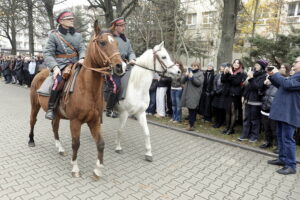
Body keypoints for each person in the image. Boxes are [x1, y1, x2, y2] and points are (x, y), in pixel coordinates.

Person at [43, 11, 85, 120]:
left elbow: (82, 48)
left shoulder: (78, 35)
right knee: (58, 81)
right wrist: (55, 67)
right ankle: (51, 108)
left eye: (72, 18)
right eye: (69, 18)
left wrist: (82, 58)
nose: (72, 20)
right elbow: (48, 53)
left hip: (77, 63)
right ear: (61, 21)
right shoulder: (54, 35)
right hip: (61, 65)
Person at [266, 57, 300, 175]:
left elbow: (287, 84)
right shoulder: (295, 75)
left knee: (287, 139)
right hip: (283, 112)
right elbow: (282, 85)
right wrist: (272, 75)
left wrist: (277, 74)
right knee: (281, 136)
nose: (293, 63)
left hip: (290, 112)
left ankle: (291, 165)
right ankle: (282, 159)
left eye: (296, 61)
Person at [105, 17, 136, 118]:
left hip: (126, 66)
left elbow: (131, 52)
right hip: (113, 67)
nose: (124, 27)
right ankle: (109, 109)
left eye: (124, 25)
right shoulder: (110, 39)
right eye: (121, 26)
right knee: (115, 86)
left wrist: (132, 59)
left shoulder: (126, 40)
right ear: (115, 27)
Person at [238, 59, 267, 142]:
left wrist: (251, 78)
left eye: (257, 65)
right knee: (246, 118)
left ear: (262, 67)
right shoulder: (253, 74)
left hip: (257, 102)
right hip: (248, 100)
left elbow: (257, 87)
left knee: (255, 120)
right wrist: (244, 95)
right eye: (255, 65)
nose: (255, 66)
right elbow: (247, 87)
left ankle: (254, 136)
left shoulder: (263, 76)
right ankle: (245, 135)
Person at [221, 59, 244, 135]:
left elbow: (235, 82)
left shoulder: (240, 73)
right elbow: (223, 80)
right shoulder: (230, 70)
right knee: (227, 111)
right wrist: (225, 73)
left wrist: (231, 74)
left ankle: (231, 129)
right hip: (228, 94)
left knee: (233, 111)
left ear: (240, 65)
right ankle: (227, 128)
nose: (236, 64)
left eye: (238, 63)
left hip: (235, 95)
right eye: (235, 62)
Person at [181, 63, 204, 131]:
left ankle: (191, 125)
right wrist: (185, 75)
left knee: (193, 109)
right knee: (190, 109)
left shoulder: (200, 74)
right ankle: (190, 124)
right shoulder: (189, 72)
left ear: (198, 67)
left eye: (195, 66)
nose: (193, 67)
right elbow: (182, 81)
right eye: (192, 66)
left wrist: (192, 77)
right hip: (188, 93)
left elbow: (199, 83)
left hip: (195, 94)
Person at [211, 63, 227, 128]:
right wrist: (215, 90)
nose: (222, 68)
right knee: (215, 108)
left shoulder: (226, 75)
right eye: (221, 66)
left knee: (220, 109)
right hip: (216, 94)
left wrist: (219, 91)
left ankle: (220, 122)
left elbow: (225, 85)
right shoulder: (217, 74)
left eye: (223, 67)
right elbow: (214, 83)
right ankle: (216, 121)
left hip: (222, 95)